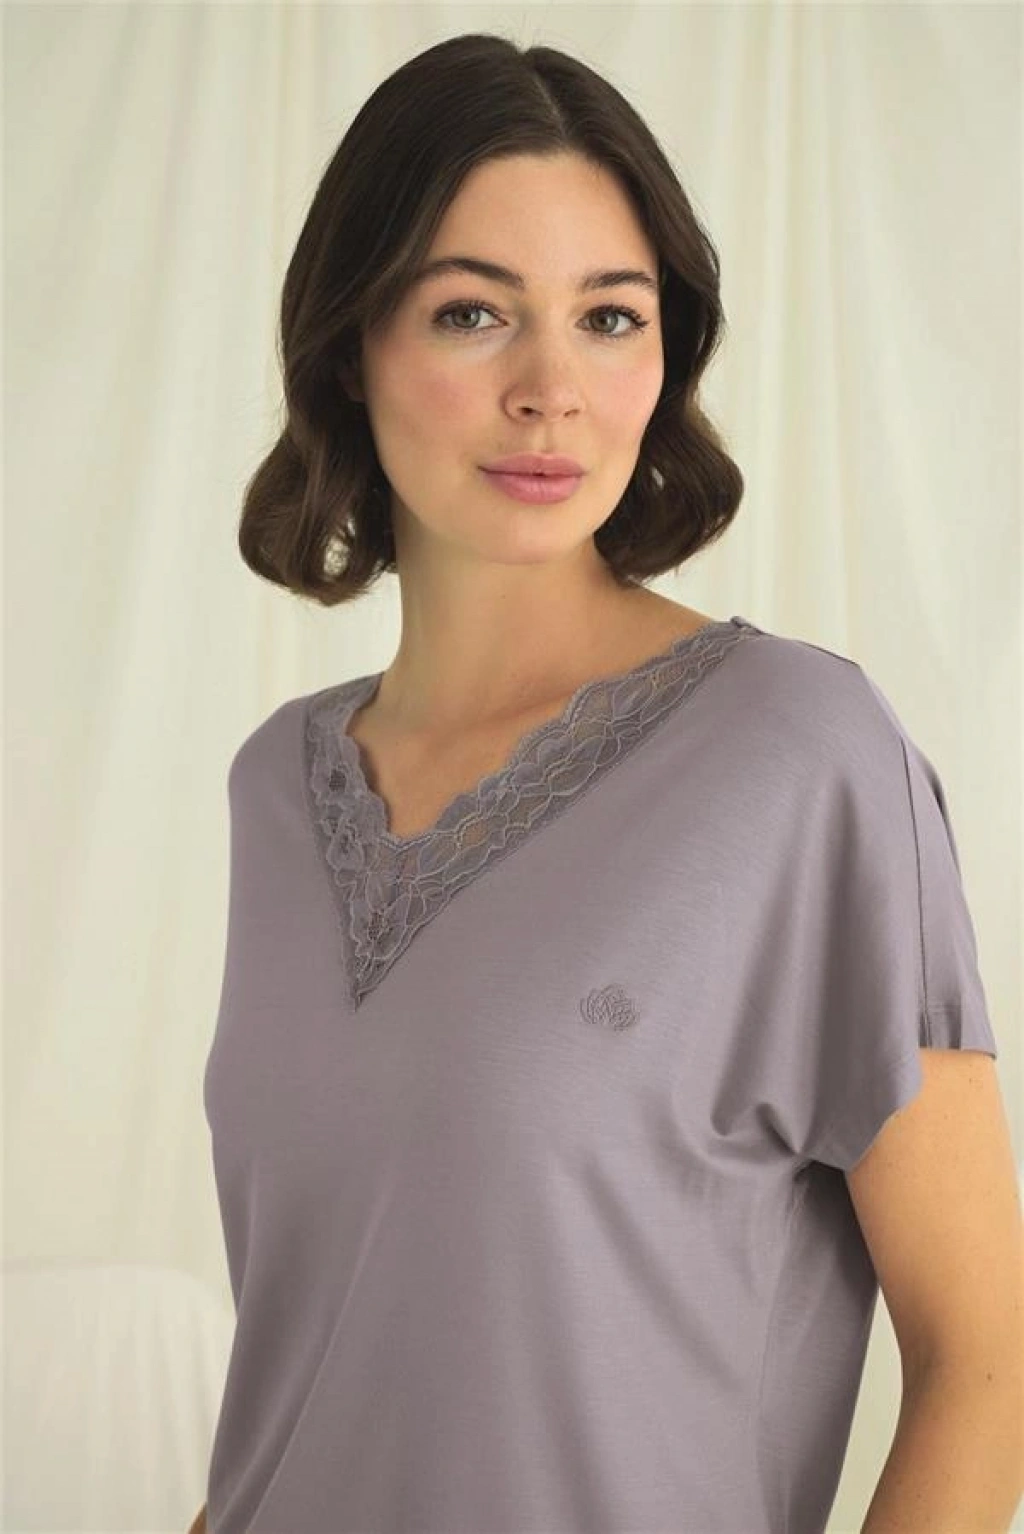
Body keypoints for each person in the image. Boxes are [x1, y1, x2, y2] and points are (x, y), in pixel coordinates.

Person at [194, 31, 1021, 1534]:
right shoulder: (276, 789)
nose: (550, 390)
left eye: (609, 317)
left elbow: (987, 1361)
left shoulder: (802, 753)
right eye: (471, 312)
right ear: (351, 347)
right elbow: (313, 1373)